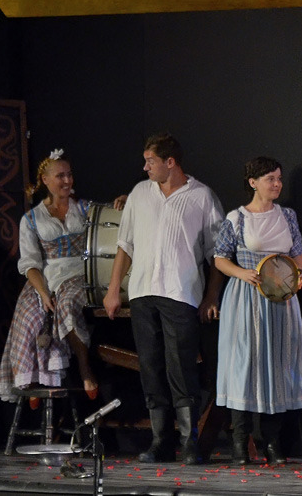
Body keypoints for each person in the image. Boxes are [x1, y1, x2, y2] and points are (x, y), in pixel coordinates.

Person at [102, 133, 225, 464]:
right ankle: (161, 441)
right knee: (151, 366)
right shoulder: (140, 193)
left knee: (181, 367)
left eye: (151, 161)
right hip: (143, 292)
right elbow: (125, 245)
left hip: (180, 293)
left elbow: (217, 253)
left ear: (170, 162)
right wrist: (113, 289)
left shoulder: (202, 197)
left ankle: (189, 441)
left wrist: (211, 295)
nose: (145, 167)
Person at [0, 150, 121, 404]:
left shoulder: (83, 208)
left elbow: (109, 216)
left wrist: (123, 201)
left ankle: (84, 366)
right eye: (60, 176)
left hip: (80, 273)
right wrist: (42, 292)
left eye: (69, 175)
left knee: (65, 304)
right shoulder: (32, 219)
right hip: (47, 276)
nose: (67, 180)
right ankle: (35, 379)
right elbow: (30, 264)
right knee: (30, 314)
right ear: (45, 180)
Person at [212, 157, 302, 465]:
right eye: (270, 179)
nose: (277, 184)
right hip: (247, 298)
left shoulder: (287, 216)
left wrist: (297, 273)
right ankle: (240, 442)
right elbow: (220, 258)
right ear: (253, 182)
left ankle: (272, 443)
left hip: (281, 299)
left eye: (279, 178)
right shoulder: (237, 218)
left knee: (276, 366)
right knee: (245, 366)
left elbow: (298, 254)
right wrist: (242, 273)